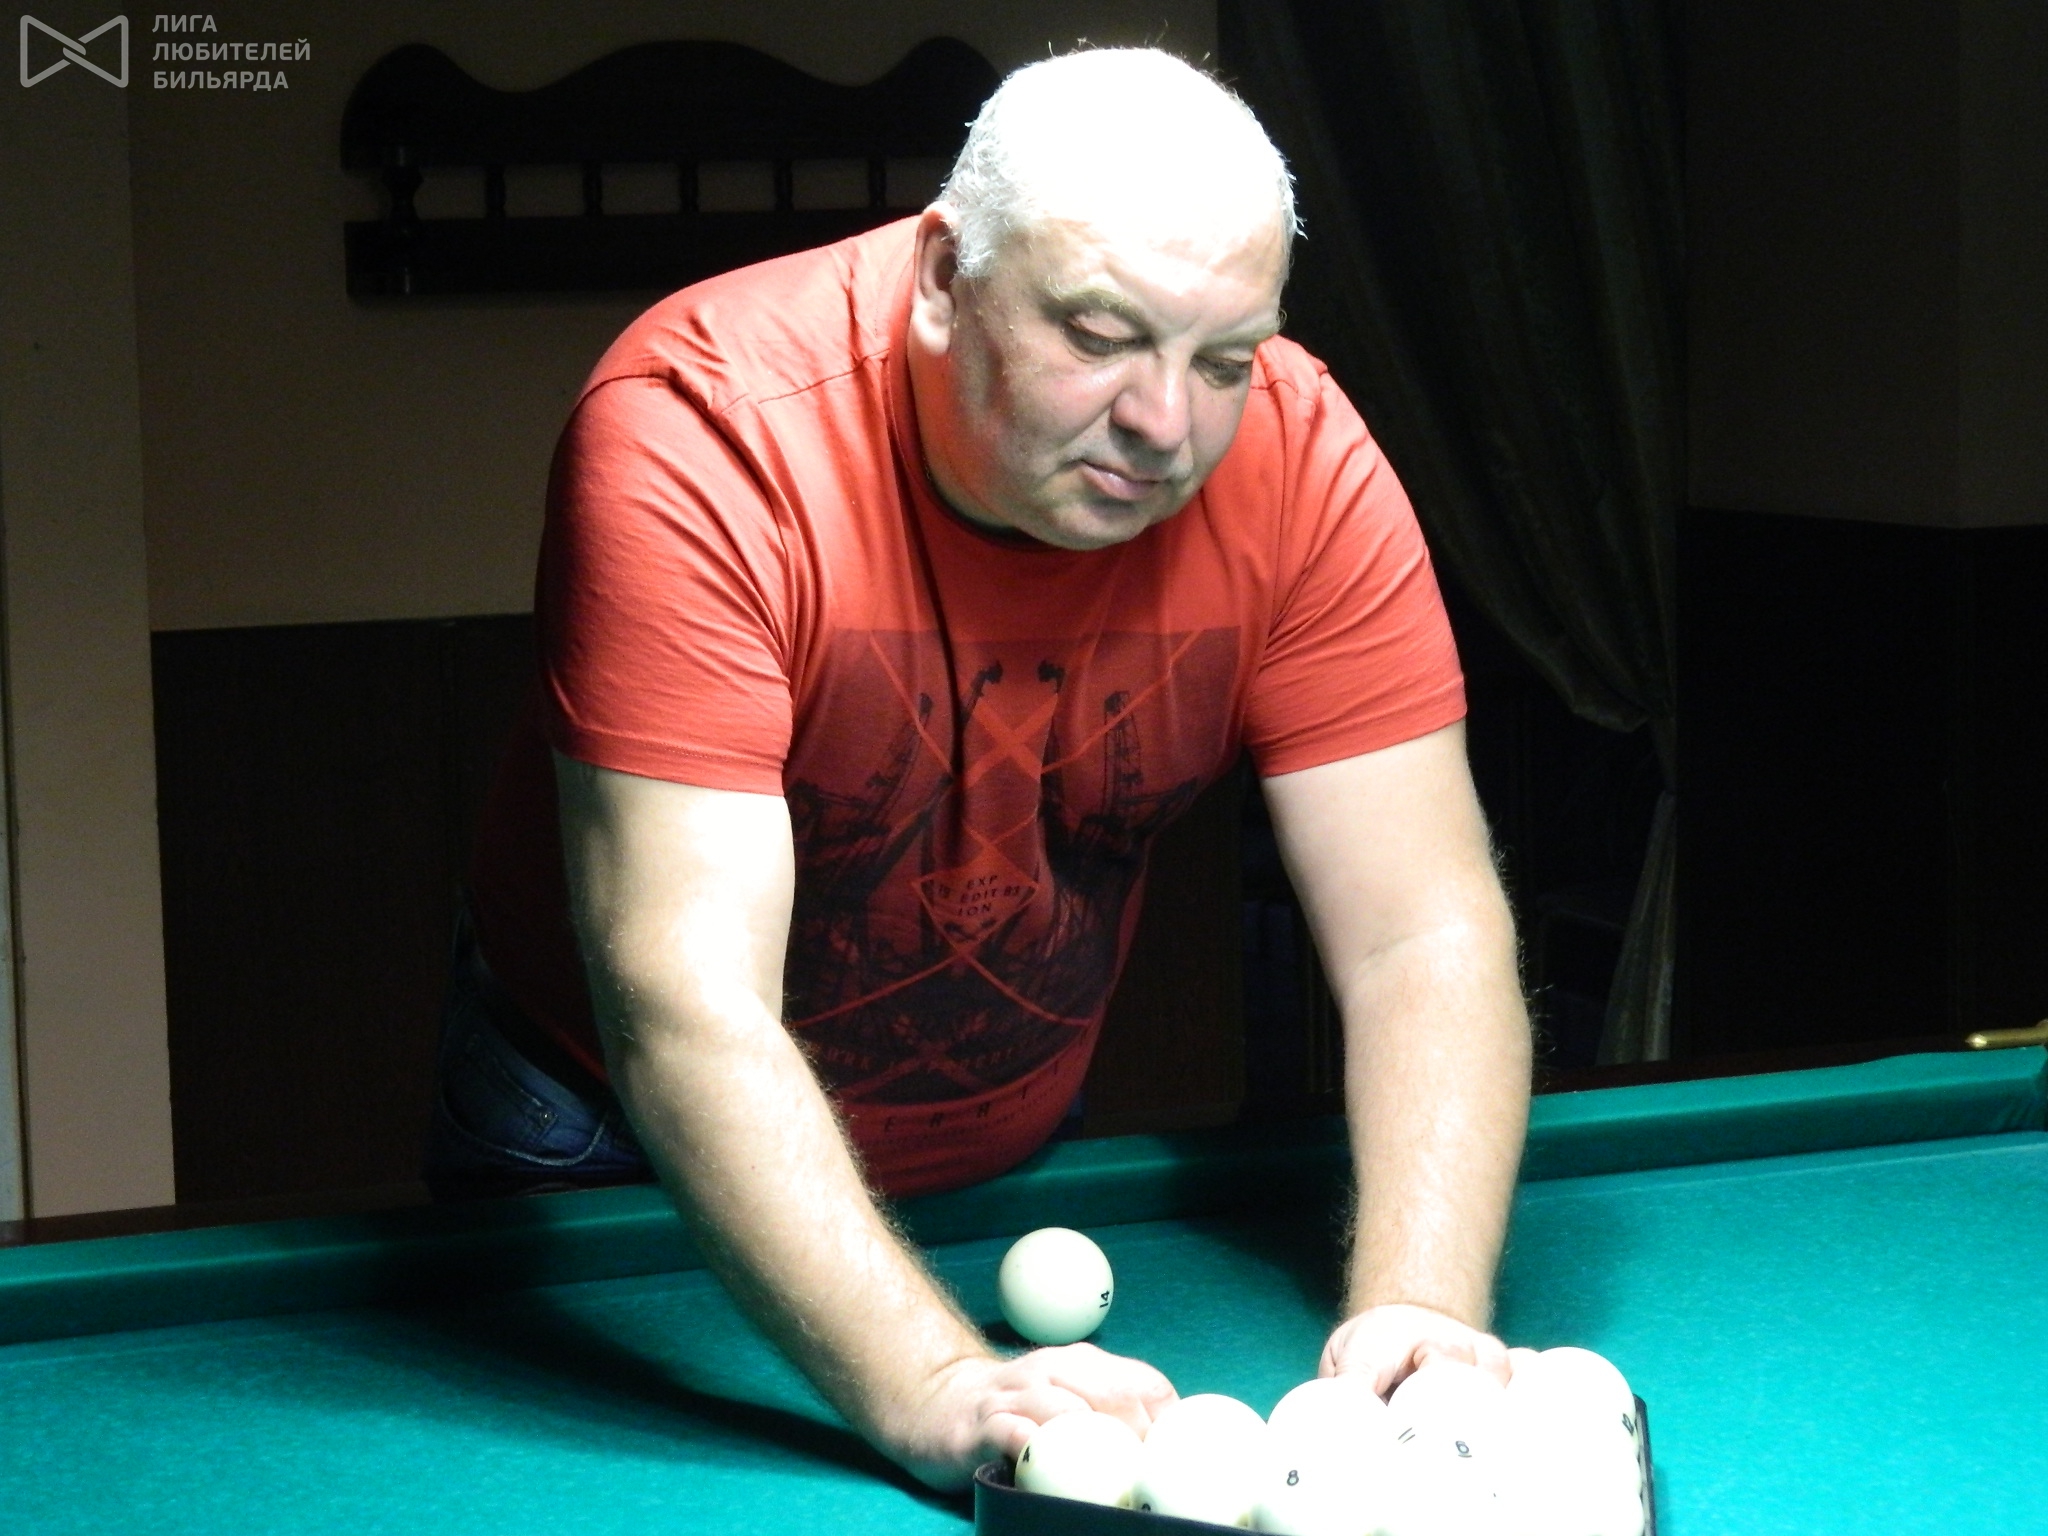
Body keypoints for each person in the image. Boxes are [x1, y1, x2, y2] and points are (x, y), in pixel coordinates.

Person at [433, 47, 1531, 1491]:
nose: (1167, 424)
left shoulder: (1301, 453)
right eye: (1102, 335)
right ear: (947, 278)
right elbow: (686, 1000)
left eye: (1223, 360)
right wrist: (933, 1383)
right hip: (608, 1136)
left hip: (1010, 1130)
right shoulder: (702, 430)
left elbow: (1420, 931)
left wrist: (1422, 1312)